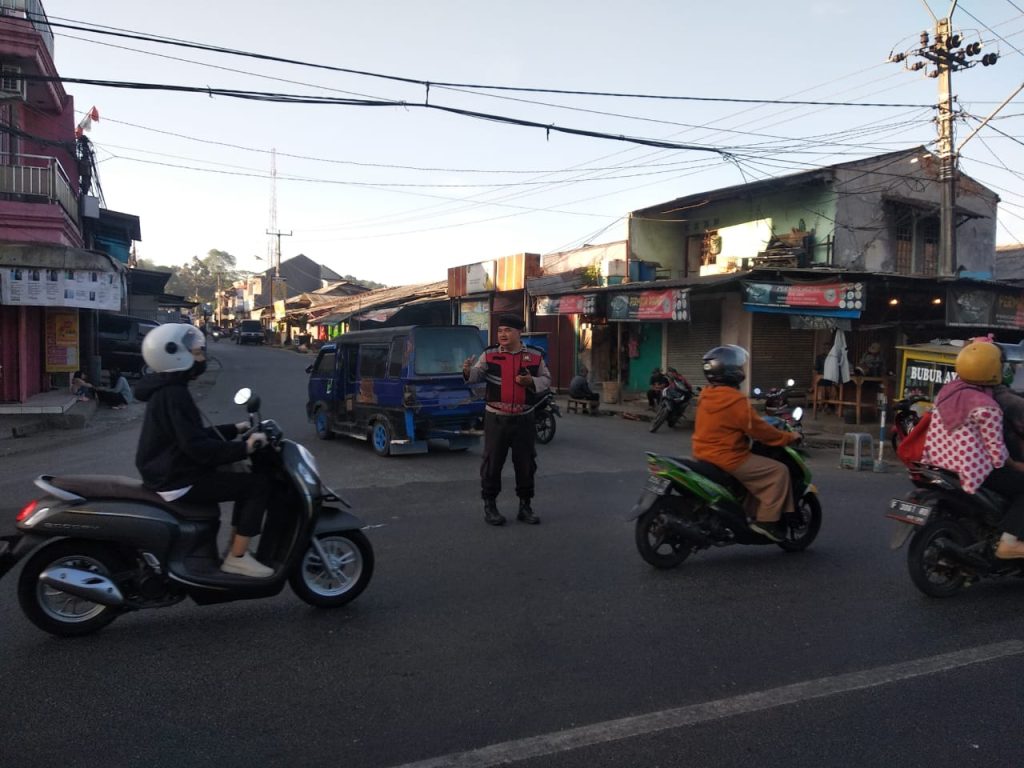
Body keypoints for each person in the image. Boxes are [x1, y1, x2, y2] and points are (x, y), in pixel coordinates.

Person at [134, 323, 274, 577]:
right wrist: (245, 447)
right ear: (175, 354)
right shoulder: (174, 394)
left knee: (244, 481)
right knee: (257, 485)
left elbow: (190, 435)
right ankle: (237, 557)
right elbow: (197, 448)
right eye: (197, 354)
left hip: (167, 471)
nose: (202, 359)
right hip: (176, 478)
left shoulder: (166, 390)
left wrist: (235, 428)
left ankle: (235, 549)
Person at [922, 341, 1024, 560]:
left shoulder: (947, 392)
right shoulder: (988, 405)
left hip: (941, 463)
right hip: (974, 471)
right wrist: (1018, 466)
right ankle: (1009, 543)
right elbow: (997, 455)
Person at [692, 345, 802, 542]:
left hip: (702, 454)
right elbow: (760, 431)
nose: (741, 370)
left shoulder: (706, 395)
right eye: (739, 366)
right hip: (729, 458)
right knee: (778, 472)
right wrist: (788, 437)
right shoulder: (735, 400)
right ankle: (766, 523)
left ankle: (746, 510)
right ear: (731, 371)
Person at [463, 314, 551, 526]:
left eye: (507, 330)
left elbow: (546, 380)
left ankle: (525, 506)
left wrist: (531, 381)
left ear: (519, 333)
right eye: (500, 330)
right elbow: (475, 376)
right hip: (496, 418)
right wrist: (467, 371)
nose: (503, 334)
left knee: (526, 464)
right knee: (492, 464)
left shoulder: (535, 355)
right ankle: (490, 506)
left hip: (524, 418)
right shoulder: (490, 354)